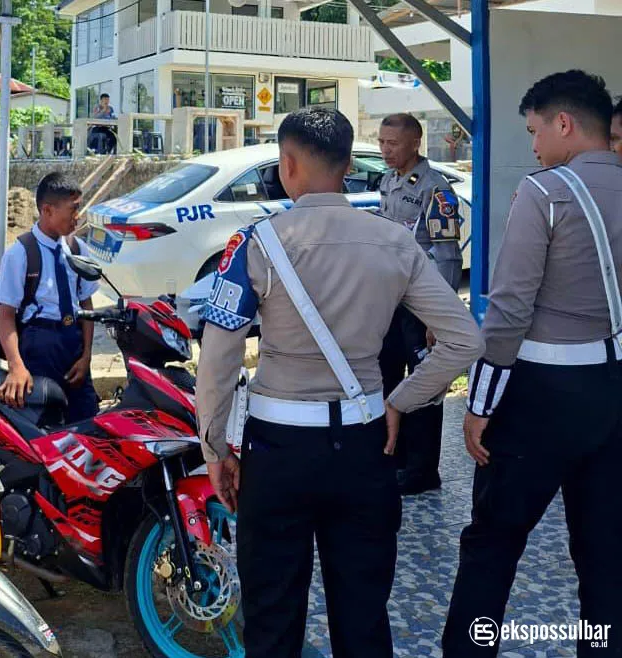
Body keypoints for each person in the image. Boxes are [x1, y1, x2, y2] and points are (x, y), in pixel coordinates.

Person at [196, 108, 483, 658]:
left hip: (278, 451)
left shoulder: (255, 244)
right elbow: (465, 340)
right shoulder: (395, 242)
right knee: (363, 614)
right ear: (349, 165)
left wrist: (215, 447)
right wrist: (401, 399)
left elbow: (219, 355)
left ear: (286, 164)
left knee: (273, 617)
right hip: (365, 445)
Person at [443, 70, 622, 657]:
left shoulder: (545, 192)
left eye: (535, 131)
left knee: (493, 543)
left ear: (564, 123)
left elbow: (510, 307)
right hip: (613, 389)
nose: (535, 146)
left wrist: (481, 402)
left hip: (542, 395)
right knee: (605, 550)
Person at [377, 112, 464, 495]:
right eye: (381, 142)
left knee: (426, 385)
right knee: (386, 375)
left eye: (392, 143)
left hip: (421, 304)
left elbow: (447, 257)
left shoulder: (435, 189)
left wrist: (436, 317)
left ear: (415, 142)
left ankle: (423, 470)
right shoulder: (388, 180)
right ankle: (392, 457)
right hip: (391, 301)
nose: (385, 150)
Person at [0, 172, 100, 423]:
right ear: (48, 210)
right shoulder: (20, 254)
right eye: (73, 209)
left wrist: (86, 356)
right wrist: (16, 366)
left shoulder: (77, 249)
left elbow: (86, 305)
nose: (78, 216)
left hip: (72, 345)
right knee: (44, 426)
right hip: (39, 347)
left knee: (87, 423)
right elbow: (6, 316)